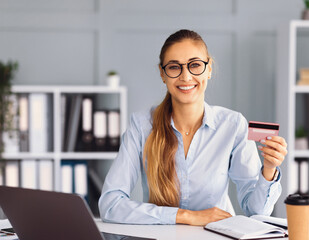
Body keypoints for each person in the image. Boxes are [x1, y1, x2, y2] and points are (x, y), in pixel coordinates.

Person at [99, 29, 288, 226]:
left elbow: (256, 212)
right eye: (174, 67)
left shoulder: (233, 125)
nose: (186, 77)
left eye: (195, 65)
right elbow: (111, 205)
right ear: (162, 74)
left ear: (209, 69)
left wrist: (269, 169)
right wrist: (187, 217)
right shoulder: (141, 125)